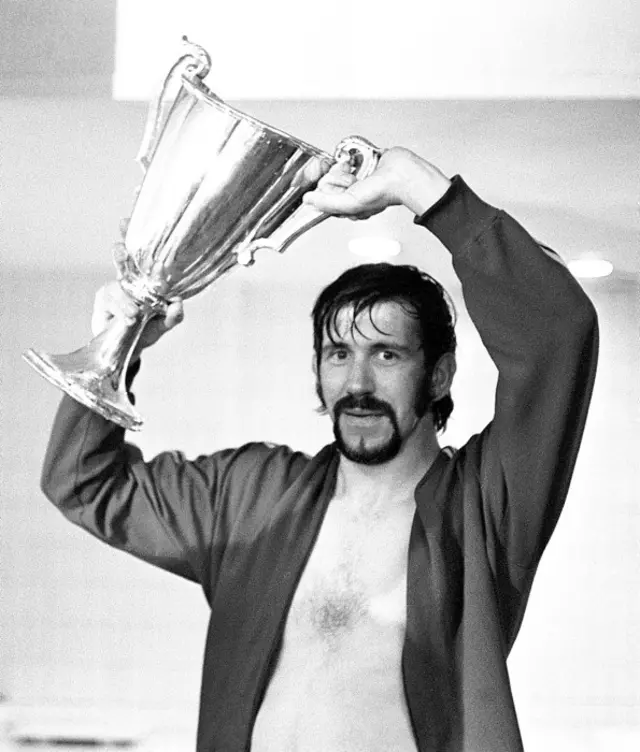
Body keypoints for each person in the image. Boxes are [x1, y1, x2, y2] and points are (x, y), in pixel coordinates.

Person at [40, 147, 599, 752]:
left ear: (438, 376)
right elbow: (86, 483)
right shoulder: (250, 497)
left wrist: (421, 188)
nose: (357, 384)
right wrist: (115, 350)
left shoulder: (486, 507)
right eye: (339, 354)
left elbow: (558, 336)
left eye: (386, 354)